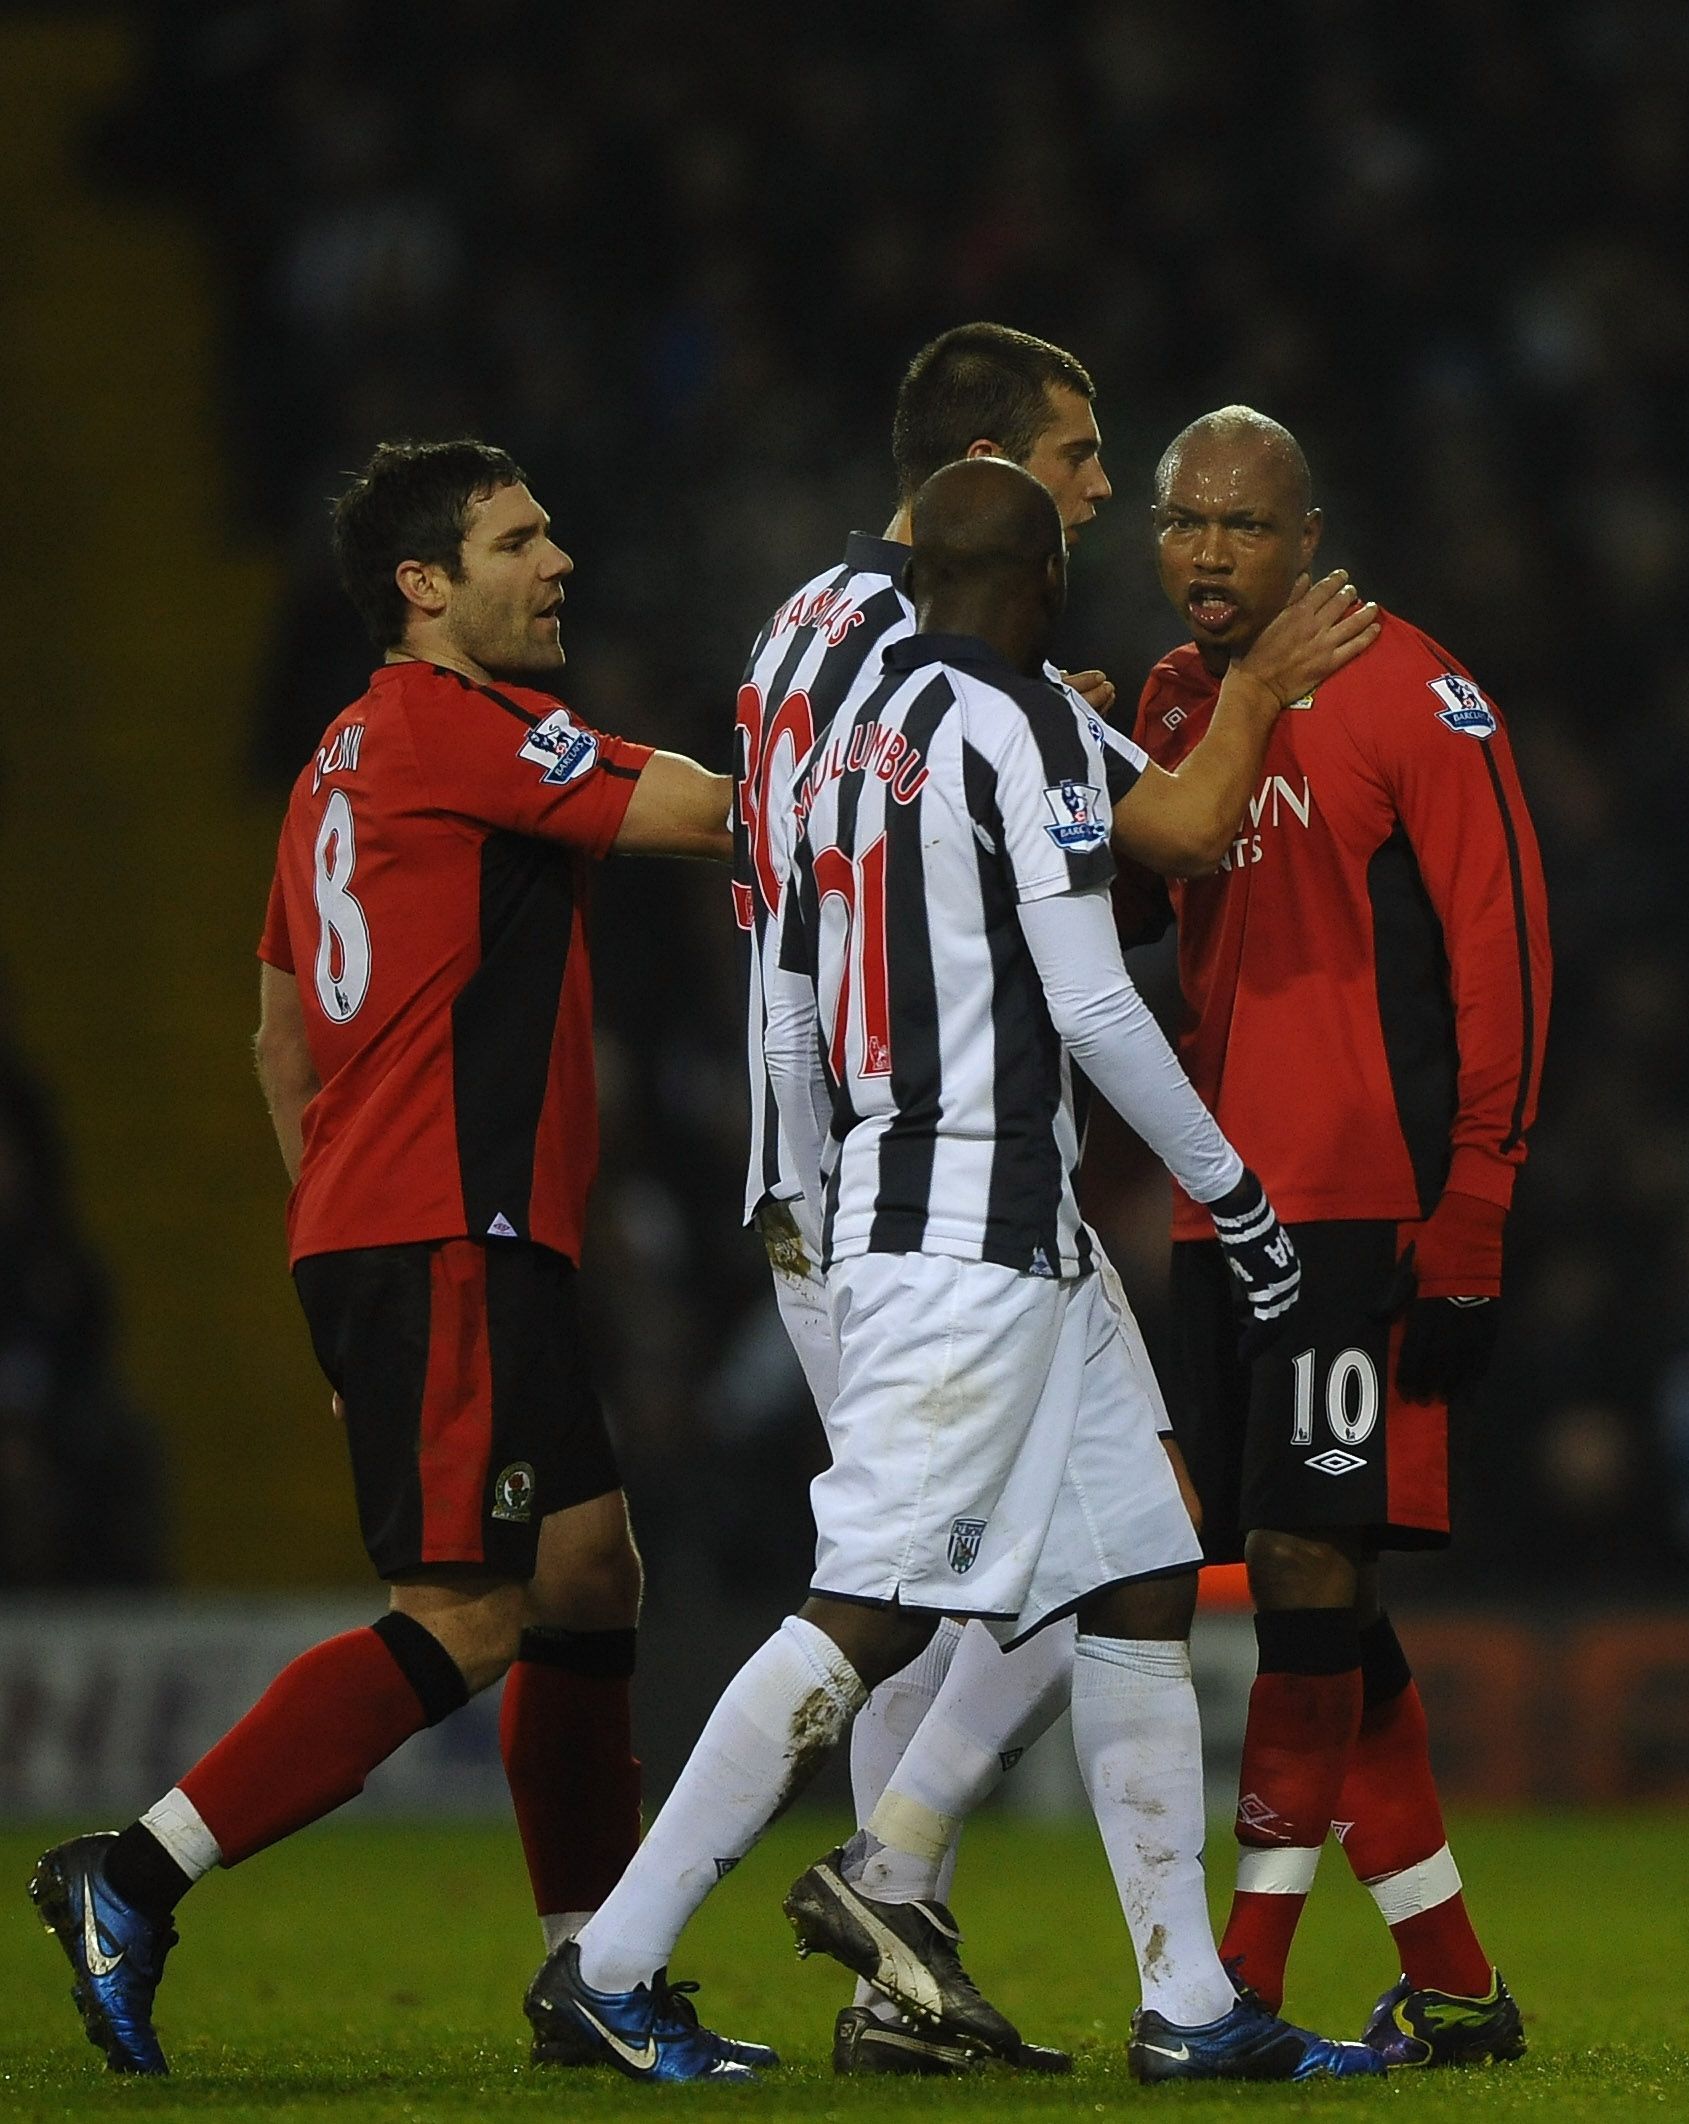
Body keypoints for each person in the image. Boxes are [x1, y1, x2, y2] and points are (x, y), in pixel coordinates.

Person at [522, 456, 1383, 2086]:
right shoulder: (1030, 725)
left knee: (1139, 1561)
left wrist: (796, 1173)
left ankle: (1187, 2005)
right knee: (861, 1611)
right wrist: (1241, 1203)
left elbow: (786, 976)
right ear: (1043, 580)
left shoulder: (844, 732)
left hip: (948, 1218)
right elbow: (1096, 1005)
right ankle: (615, 1960)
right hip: (968, 1237)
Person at [29, 439, 744, 2079]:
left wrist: (331, 1236)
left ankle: (589, 1974)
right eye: (517, 538)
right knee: (470, 1614)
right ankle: (131, 1879)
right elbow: (708, 817)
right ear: (426, 587)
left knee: (584, 1575)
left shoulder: (336, 762)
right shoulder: (462, 725)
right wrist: (931, 747)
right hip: (447, 1232)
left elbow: (280, 1033)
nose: (557, 561)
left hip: (401, 1227)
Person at [733, 322, 1375, 2077]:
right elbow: (1150, 884)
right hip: (946, 1185)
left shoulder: (812, 627)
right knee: (914, 1598)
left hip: (859, 1171)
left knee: (1132, 1563)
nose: (1112, 501)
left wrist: (784, 1157)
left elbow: (791, 909)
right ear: (1002, 482)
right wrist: (1225, 708)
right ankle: (723, 1932)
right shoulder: (945, 667)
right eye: (1085, 464)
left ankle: (1146, 2005)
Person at [1122, 406, 1551, 2067]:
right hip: (1214, 1204)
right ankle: (1451, 1987)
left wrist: (1474, 1217)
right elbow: (1150, 912)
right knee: (1322, 1589)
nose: (1210, 554)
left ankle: (1236, 1991)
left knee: (1306, 1568)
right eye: (1183, 523)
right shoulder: (1178, 699)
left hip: (1362, 1207)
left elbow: (1500, 960)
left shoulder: (1414, 692)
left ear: (1307, 538)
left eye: (1243, 525)